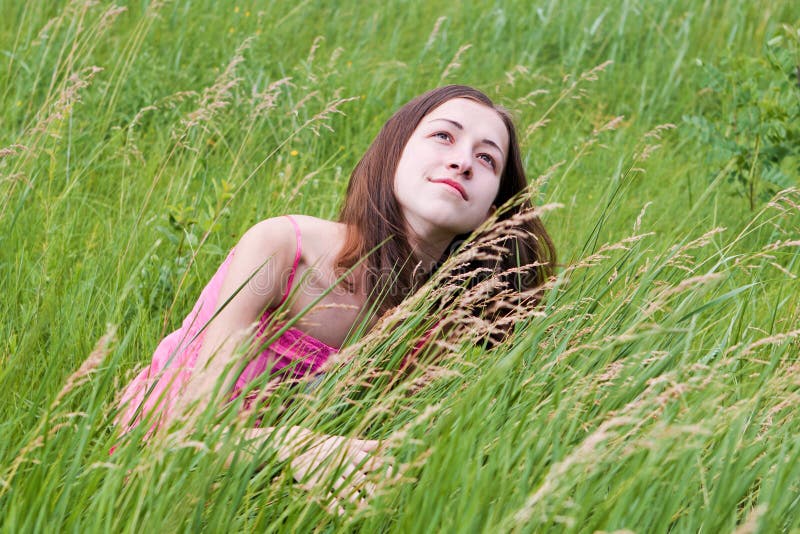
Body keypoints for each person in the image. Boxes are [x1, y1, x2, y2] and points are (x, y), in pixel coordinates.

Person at [114, 84, 556, 506]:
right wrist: (291, 443)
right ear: (393, 152)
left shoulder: (444, 312)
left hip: (297, 479)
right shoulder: (284, 249)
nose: (463, 162)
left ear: (492, 208)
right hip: (168, 460)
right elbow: (188, 428)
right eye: (444, 136)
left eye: (487, 159)